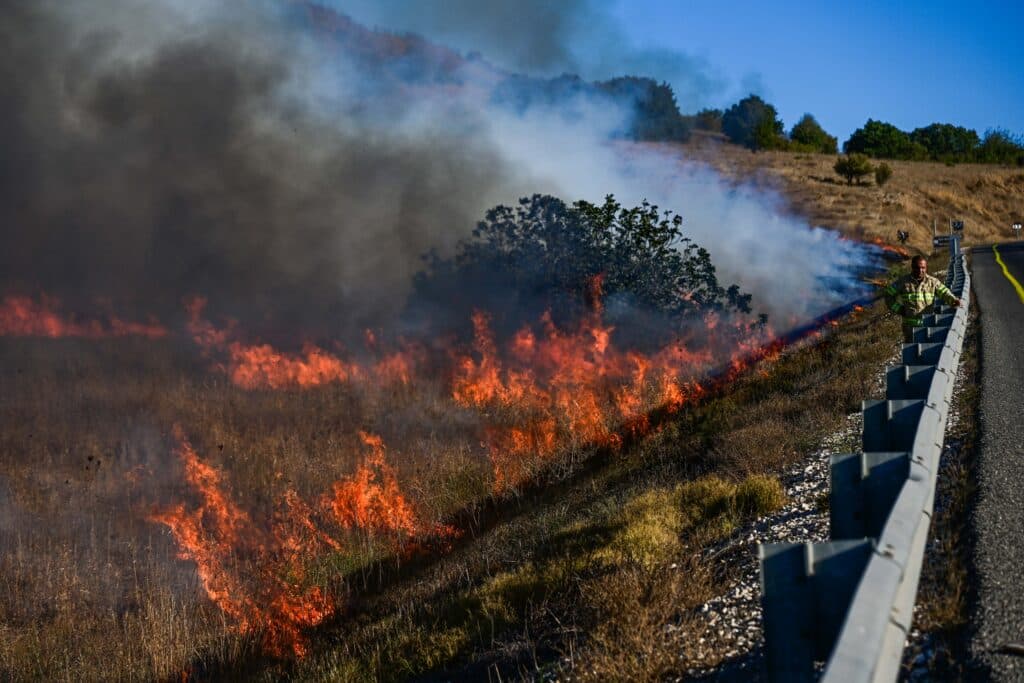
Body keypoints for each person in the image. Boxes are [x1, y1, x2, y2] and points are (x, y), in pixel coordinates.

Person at [884, 255, 961, 343]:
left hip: (928, 327)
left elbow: (944, 293)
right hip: (910, 329)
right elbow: (888, 295)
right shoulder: (903, 282)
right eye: (917, 268)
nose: (920, 270)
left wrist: (953, 300)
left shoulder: (933, 282)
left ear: (926, 267)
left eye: (923, 268)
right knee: (913, 354)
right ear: (912, 267)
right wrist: (899, 309)